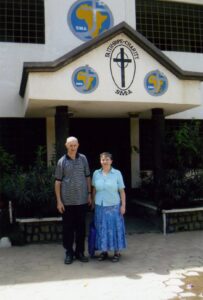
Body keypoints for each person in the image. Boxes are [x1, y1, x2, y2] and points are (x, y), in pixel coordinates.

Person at [55, 136, 92, 264]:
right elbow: (57, 182)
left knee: (81, 229)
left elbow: (87, 177)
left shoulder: (83, 159)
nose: (73, 147)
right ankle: (69, 252)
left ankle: (80, 252)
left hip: (82, 200)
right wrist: (59, 201)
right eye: (70, 145)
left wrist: (89, 194)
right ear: (66, 145)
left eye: (74, 145)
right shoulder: (61, 161)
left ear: (78, 145)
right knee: (68, 229)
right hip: (67, 202)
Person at [92, 152, 126, 262]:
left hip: (114, 206)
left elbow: (122, 191)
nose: (105, 161)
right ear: (100, 161)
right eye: (103, 159)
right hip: (100, 206)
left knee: (115, 228)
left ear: (111, 161)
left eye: (107, 159)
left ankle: (117, 252)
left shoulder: (117, 173)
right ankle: (104, 251)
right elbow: (94, 189)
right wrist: (92, 202)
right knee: (102, 229)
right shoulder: (96, 173)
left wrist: (123, 206)